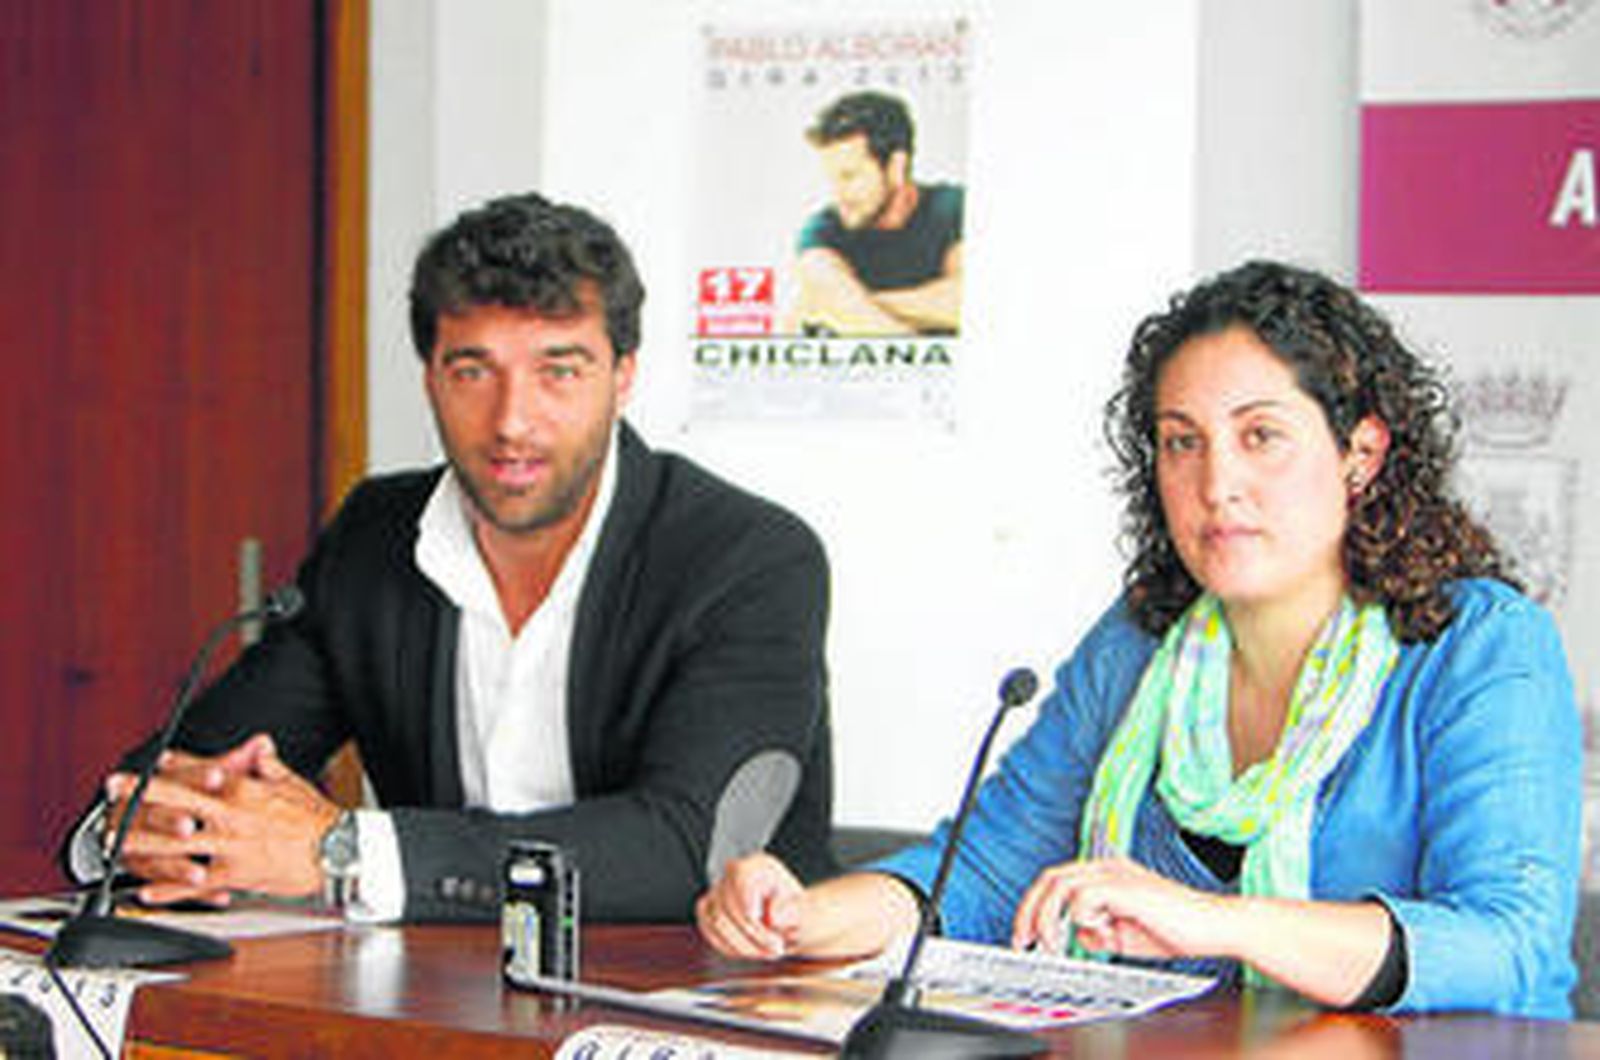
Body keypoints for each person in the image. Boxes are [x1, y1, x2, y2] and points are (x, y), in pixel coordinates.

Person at [697, 260, 1582, 1017]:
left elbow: (1506, 944)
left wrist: (1215, 920)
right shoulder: (1139, 640)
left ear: (1362, 452)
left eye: (1261, 436)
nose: (1216, 482)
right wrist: (803, 918)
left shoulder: (1478, 645)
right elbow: (986, 869)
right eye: (1180, 443)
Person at [64, 192, 836, 923]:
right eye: (473, 372)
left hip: (695, 1009)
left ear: (623, 376)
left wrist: (343, 853)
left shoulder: (747, 558)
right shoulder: (377, 537)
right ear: (431, 378)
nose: (512, 421)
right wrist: (134, 832)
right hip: (444, 1006)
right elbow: (196, 768)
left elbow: (684, 847)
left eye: (558, 371)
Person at [789, 91, 963, 336]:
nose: (838, 194)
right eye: (832, 179)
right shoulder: (825, 229)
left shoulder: (953, 207)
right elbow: (821, 280)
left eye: (849, 176)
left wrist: (846, 307)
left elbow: (972, 300)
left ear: (896, 167)